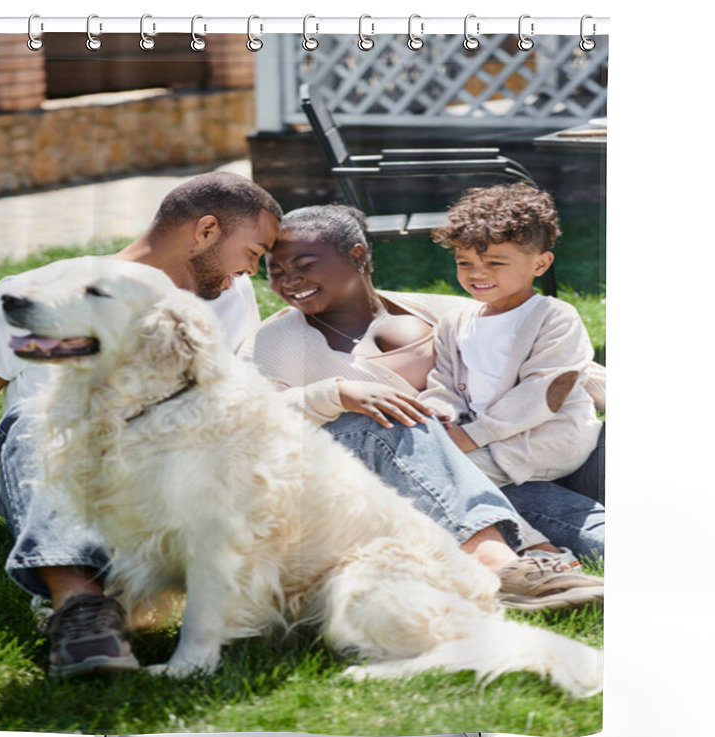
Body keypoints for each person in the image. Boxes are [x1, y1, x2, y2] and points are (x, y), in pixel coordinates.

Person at [0, 171, 282, 677]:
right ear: (205, 232)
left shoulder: (227, 300)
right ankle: (82, 614)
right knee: (38, 414)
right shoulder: (32, 294)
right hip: (54, 472)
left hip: (166, 478)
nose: (251, 273)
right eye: (254, 253)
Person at [240, 204, 605, 608]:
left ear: (357, 255)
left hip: (530, 445)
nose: (289, 281)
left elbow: (561, 370)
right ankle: (511, 562)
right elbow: (248, 418)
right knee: (583, 523)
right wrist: (337, 393)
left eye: (304, 264)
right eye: (275, 272)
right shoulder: (274, 341)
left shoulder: (447, 312)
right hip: (462, 482)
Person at [421, 182, 604, 495]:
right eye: (465, 262)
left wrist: (470, 437)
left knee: (429, 478)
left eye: (495, 263)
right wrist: (439, 416)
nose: (477, 274)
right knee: (413, 458)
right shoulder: (454, 323)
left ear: (540, 264)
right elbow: (444, 384)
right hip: (483, 438)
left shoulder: (553, 317)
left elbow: (542, 394)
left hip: (544, 440)